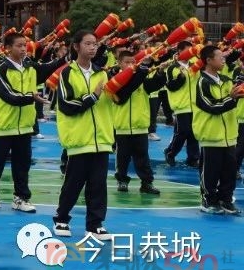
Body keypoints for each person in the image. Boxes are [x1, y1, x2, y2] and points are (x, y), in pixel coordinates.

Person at [53, 32, 127, 239]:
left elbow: (115, 99)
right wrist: (92, 96)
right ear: (76, 46)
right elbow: (67, 105)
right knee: (73, 184)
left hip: (101, 139)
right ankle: (61, 219)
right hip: (79, 139)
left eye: (95, 44)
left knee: (98, 184)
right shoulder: (67, 73)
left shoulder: (102, 74)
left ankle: (95, 224)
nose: (92, 48)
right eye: (87, 44)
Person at [0, 33, 61, 213]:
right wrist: (31, 98)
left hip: (25, 125)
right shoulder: (2, 69)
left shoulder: (30, 67)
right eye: (19, 45)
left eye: (25, 45)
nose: (23, 48)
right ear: (8, 48)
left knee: (23, 163)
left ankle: (21, 197)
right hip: (6, 125)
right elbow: (9, 95)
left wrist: (67, 56)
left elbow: (50, 67)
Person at [192, 45, 242, 215]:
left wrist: (238, 92)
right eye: (220, 57)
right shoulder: (201, 83)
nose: (223, 59)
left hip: (229, 136)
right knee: (210, 172)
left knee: (229, 171)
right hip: (211, 135)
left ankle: (226, 200)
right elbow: (211, 106)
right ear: (208, 60)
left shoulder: (227, 80)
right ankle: (208, 200)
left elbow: (234, 97)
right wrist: (232, 97)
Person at [111, 49, 161, 194]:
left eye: (133, 62)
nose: (131, 64)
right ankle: (122, 180)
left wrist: (160, 73)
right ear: (119, 63)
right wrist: (143, 70)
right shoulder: (115, 80)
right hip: (122, 126)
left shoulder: (141, 79)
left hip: (140, 126)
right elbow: (125, 92)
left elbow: (154, 85)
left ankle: (146, 183)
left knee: (143, 157)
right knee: (122, 158)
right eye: (127, 62)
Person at [163, 41, 201, 168]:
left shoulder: (195, 65)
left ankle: (193, 158)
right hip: (181, 105)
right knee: (183, 131)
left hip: (195, 105)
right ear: (179, 51)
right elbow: (171, 86)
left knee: (194, 133)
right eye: (187, 50)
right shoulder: (172, 68)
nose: (191, 53)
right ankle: (170, 152)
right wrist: (181, 77)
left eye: (192, 50)